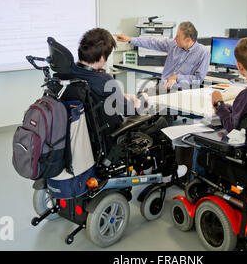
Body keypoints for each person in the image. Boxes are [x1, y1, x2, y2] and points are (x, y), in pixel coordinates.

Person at [69, 27, 187, 181]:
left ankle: (148, 166)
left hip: (92, 133)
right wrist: (143, 98)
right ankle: (168, 172)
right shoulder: (105, 81)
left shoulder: (75, 72)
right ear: (102, 58)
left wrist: (122, 95)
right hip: (115, 134)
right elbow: (131, 111)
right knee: (163, 119)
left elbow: (100, 96)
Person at [191, 37, 247, 179]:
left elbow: (231, 127)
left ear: (239, 66)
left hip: (244, 153)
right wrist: (228, 108)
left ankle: (197, 188)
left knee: (200, 139)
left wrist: (219, 105)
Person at [115, 21, 210, 92]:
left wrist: (177, 77)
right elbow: (152, 42)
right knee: (141, 98)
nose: (175, 38)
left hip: (182, 91)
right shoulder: (174, 45)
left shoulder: (203, 52)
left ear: (188, 40)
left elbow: (198, 79)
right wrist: (130, 39)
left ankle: (163, 117)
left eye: (178, 37)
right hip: (164, 86)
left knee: (148, 103)